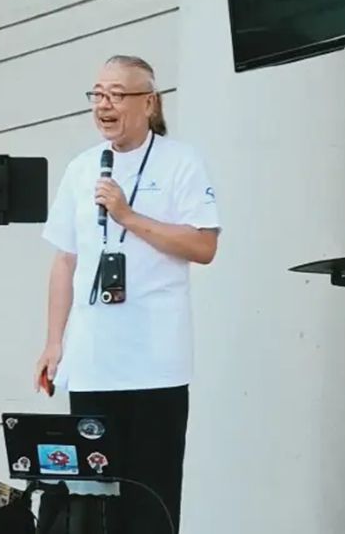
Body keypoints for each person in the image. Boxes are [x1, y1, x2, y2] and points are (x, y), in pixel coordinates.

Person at [34, 55, 221, 533]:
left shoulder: (181, 161)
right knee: (92, 505)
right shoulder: (79, 170)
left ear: (148, 101)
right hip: (93, 362)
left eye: (116, 94)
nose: (104, 105)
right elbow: (64, 261)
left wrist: (129, 217)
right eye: (97, 94)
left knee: (150, 499)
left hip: (157, 363)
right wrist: (55, 343)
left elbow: (203, 245)